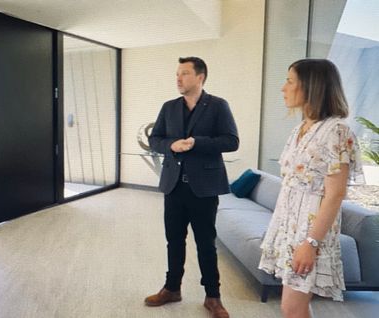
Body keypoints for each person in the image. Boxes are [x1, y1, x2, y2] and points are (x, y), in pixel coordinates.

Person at [259, 59, 364, 318]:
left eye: (290, 81)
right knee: (294, 307)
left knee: (292, 308)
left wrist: (311, 242)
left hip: (309, 232)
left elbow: (335, 194)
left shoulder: (337, 132)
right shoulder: (300, 129)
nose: (283, 88)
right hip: (288, 228)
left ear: (311, 87)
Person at [145, 57, 238, 318]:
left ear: (200, 77)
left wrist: (197, 142)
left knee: (205, 243)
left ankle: (213, 296)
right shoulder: (169, 107)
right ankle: (172, 288)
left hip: (204, 188)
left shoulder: (218, 106)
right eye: (177, 73)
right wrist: (171, 145)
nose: (178, 78)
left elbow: (231, 141)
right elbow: (155, 139)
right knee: (174, 240)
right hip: (174, 186)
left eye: (184, 73)